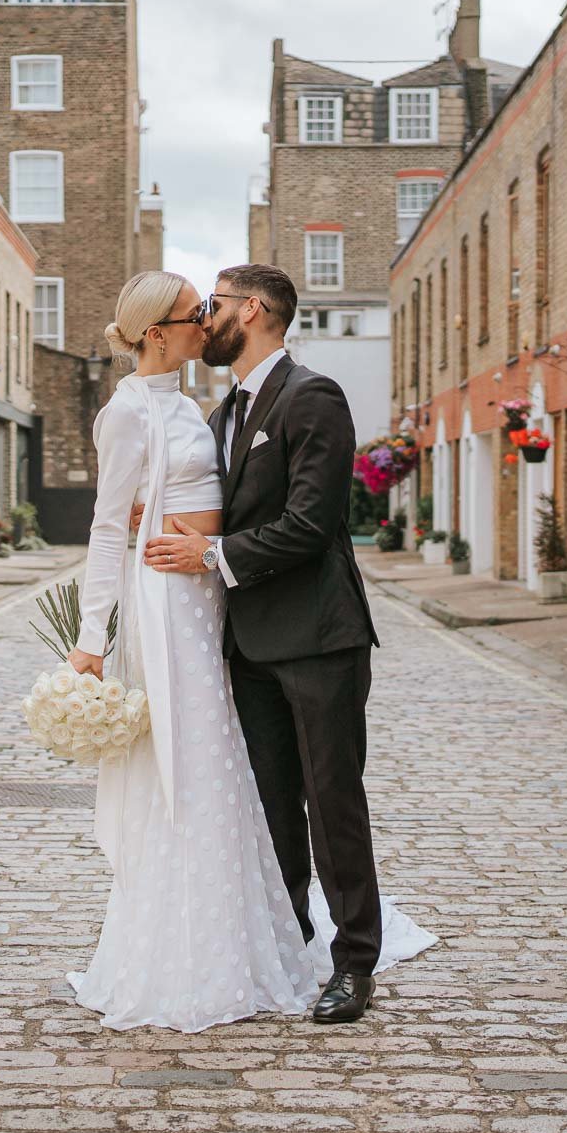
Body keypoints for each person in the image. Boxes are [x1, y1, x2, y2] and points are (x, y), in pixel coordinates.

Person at [67, 268, 431, 1034]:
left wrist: (208, 555)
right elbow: (163, 505)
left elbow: (309, 521)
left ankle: (353, 962)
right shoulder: (220, 407)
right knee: (267, 802)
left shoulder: (311, 395)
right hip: (236, 635)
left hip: (316, 635)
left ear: (252, 311)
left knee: (332, 800)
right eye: (196, 310)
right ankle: (289, 940)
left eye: (217, 305)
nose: (208, 318)